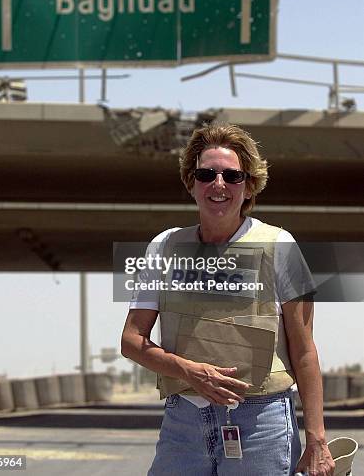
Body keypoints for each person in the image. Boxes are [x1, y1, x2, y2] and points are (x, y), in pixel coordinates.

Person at [121, 123, 335, 475]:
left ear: (249, 185)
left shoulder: (279, 245)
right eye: (207, 174)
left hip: (261, 423)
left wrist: (317, 439)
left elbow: (304, 350)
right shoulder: (164, 247)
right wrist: (191, 371)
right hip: (183, 422)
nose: (218, 184)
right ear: (191, 182)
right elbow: (131, 341)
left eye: (232, 176)